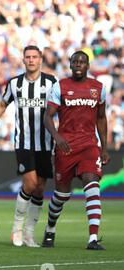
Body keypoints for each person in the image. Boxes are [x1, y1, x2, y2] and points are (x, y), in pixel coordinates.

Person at [0, 46, 57, 247]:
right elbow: (1, 105)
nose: (31, 60)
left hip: (46, 143)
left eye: (35, 57)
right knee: (30, 184)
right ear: (23, 60)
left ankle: (29, 234)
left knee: (40, 189)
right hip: (24, 142)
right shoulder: (15, 83)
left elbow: (63, 108)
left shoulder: (51, 83)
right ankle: (16, 230)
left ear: (40, 59)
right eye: (28, 57)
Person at [42, 51, 110, 250]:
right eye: (75, 61)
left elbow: (101, 118)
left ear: (88, 65)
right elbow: (48, 117)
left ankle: (93, 239)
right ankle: (50, 228)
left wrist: (104, 147)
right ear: (70, 65)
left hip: (89, 146)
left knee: (92, 186)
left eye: (82, 61)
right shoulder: (60, 86)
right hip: (66, 147)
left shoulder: (98, 88)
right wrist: (57, 137)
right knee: (62, 195)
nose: (79, 64)